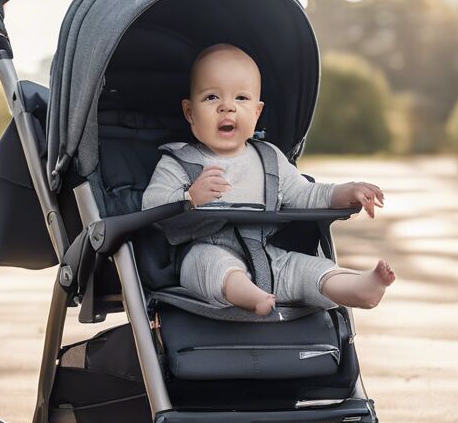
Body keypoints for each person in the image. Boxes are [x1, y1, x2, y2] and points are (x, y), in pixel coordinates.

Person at [140, 43, 395, 316]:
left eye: (241, 98)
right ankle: (249, 294)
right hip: (205, 248)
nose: (227, 107)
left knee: (307, 269)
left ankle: (358, 287)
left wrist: (348, 191)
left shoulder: (269, 158)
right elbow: (151, 206)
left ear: (257, 112)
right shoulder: (179, 161)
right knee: (210, 264)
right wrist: (190, 198)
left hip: (266, 253)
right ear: (190, 112)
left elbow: (304, 194)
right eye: (212, 97)